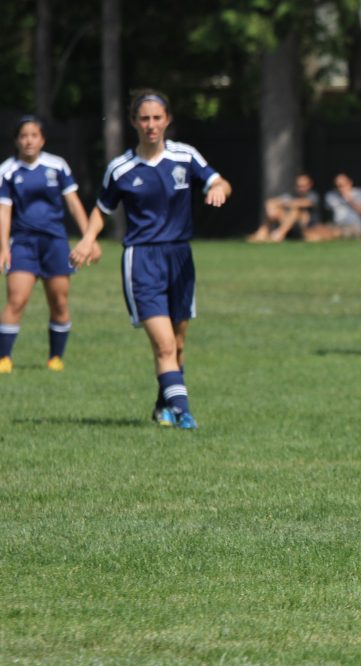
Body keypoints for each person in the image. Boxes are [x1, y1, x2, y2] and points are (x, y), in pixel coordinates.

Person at [69, 89, 232, 430]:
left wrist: (218, 188)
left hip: (180, 258)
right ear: (133, 122)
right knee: (164, 343)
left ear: (167, 120)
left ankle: (164, 406)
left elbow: (220, 181)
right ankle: (184, 412)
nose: (151, 125)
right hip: (141, 260)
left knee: (179, 343)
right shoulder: (121, 168)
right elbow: (102, 210)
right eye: (144, 118)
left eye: (157, 118)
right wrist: (87, 238)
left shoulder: (185, 156)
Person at [0, 115, 99, 373]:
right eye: (23, 136)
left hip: (55, 243)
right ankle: (4, 358)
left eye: (34, 135)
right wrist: (3, 247)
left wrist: (90, 237)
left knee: (59, 302)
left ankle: (55, 358)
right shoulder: (7, 170)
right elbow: (4, 212)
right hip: (22, 243)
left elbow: (74, 203)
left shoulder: (57, 166)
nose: (29, 140)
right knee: (16, 300)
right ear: (16, 140)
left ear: (42, 139)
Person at [246, 173, 319, 242]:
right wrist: (272, 209)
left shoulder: (313, 196)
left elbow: (303, 203)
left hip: (306, 228)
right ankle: (263, 232)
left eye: (304, 186)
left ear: (310, 185)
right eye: (299, 186)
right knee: (276, 209)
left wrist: (286, 203)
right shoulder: (291, 196)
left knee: (296, 210)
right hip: (289, 226)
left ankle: (278, 234)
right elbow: (270, 202)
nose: (301, 189)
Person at [304, 173, 361, 242]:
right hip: (336, 225)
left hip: (353, 226)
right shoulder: (331, 195)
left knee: (334, 232)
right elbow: (328, 215)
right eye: (337, 186)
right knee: (314, 230)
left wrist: (350, 200)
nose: (340, 188)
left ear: (350, 183)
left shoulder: (360, 193)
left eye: (342, 185)